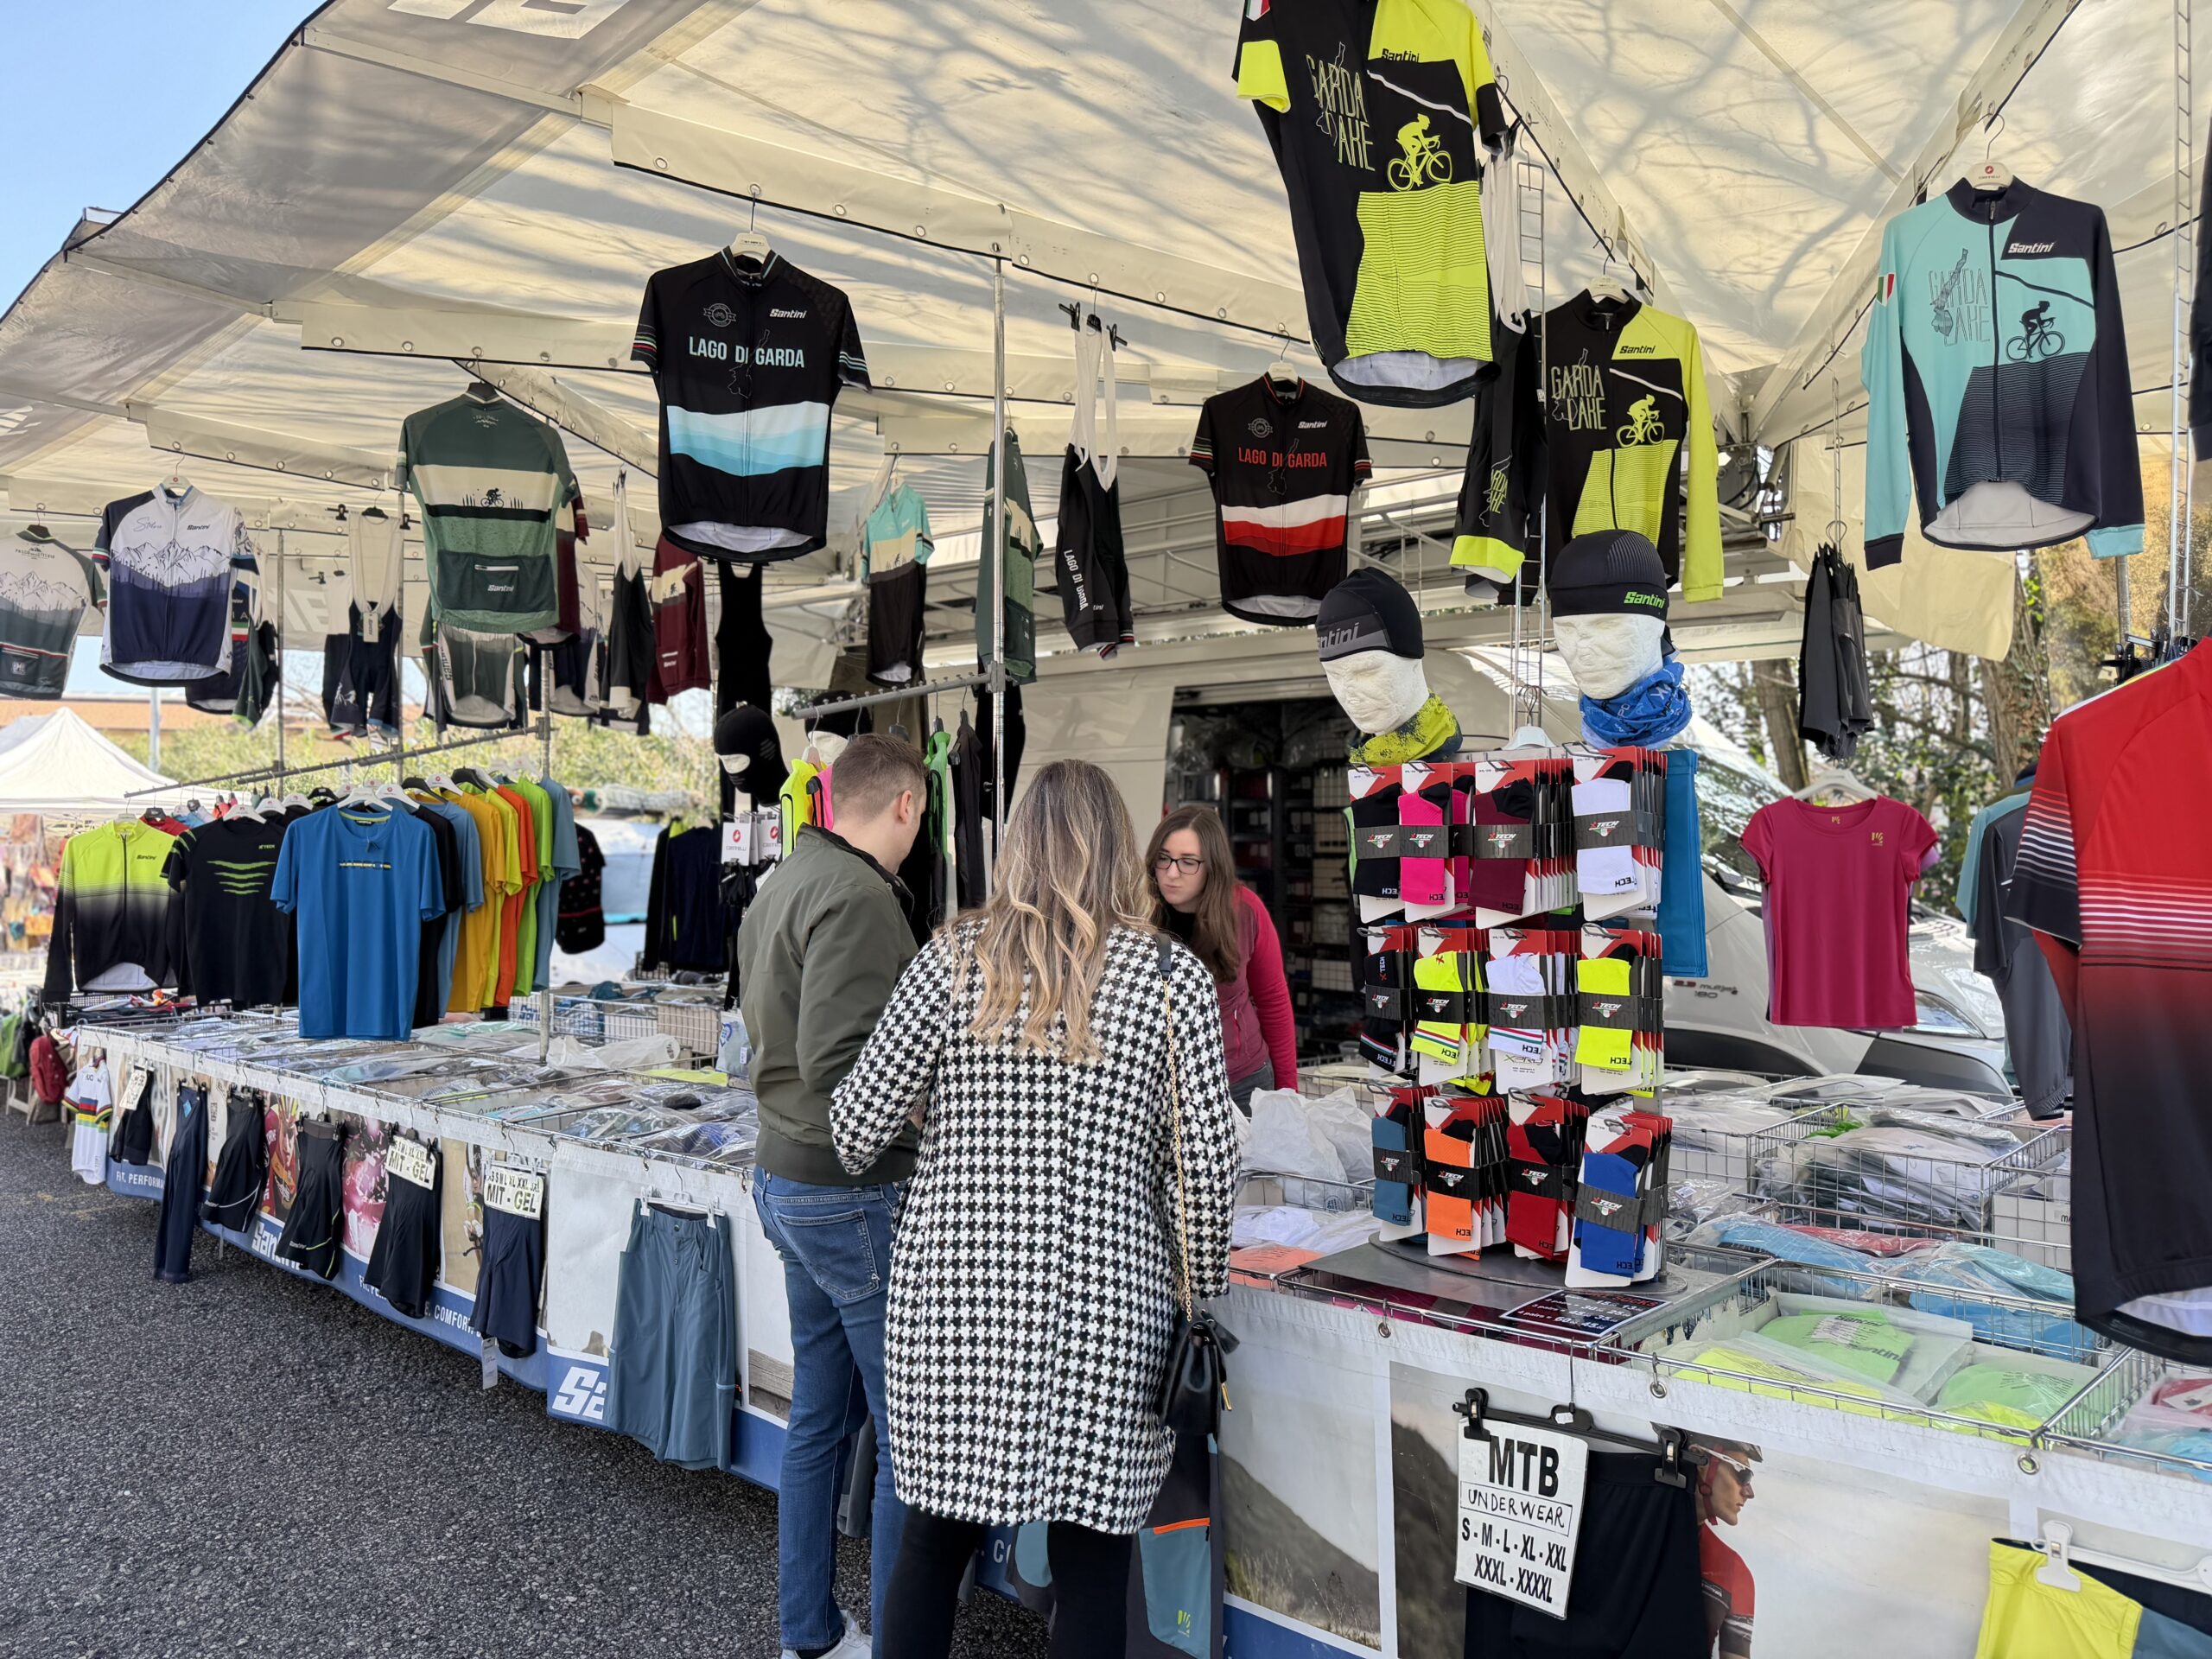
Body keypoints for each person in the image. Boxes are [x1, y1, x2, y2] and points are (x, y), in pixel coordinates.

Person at [831, 759, 1241, 1659]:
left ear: (1017, 845)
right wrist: (1200, 1286)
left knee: (932, 1542)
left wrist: (947, 1129)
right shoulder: (1170, 978)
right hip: (1108, 1309)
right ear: (1119, 852)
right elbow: (1208, 1165)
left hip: (953, 1303)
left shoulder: (950, 960)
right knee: (1095, 1562)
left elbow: (854, 1129)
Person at [737, 733, 929, 1659]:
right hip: (848, 1188)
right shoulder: (858, 895)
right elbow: (841, 1062)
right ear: (905, 805)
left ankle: (808, 1633)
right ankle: (892, 1641)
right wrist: (929, 1109)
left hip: (787, 1173)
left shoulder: (787, 880)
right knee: (903, 1435)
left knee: (817, 1417)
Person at [1145, 804, 1298, 1109]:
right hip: (1158, 1086)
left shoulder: (1245, 911)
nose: (1172, 873)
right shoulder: (1137, 914)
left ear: (1212, 866)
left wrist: (1288, 1096)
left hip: (1240, 1082)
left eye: (1188, 862)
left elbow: (1273, 1001)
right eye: (1164, 858)